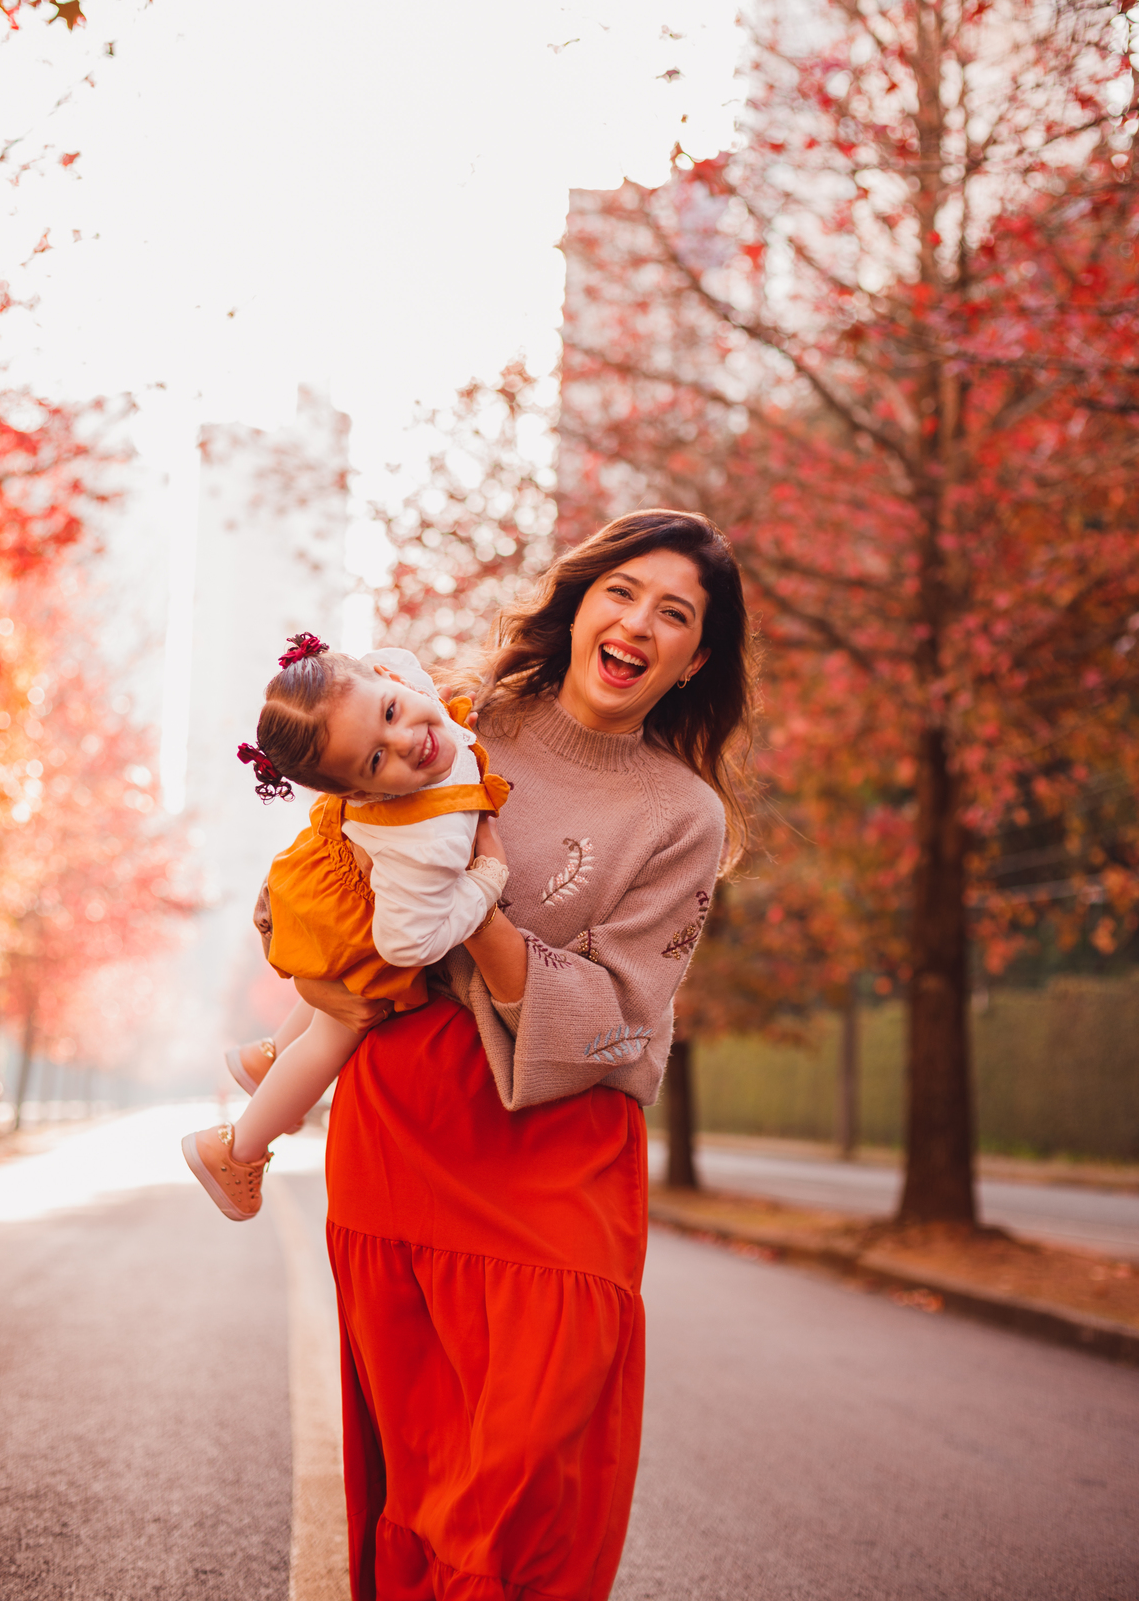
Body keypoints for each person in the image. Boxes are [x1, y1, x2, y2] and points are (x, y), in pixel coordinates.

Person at [276, 509, 752, 1601]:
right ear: (582, 604)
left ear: (696, 657)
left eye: (674, 613)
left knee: (527, 1465)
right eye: (622, 593)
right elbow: (321, 881)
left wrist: (476, 914)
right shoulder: (455, 718)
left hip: (562, 1156)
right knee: (428, 1463)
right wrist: (318, 968)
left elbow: (626, 1010)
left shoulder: (683, 818)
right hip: (408, 1132)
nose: (639, 623)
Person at [182, 634, 510, 1221]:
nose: (408, 738)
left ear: (382, 677)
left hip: (331, 873)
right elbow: (406, 941)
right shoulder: (428, 838)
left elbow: (396, 666)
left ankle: (265, 1057)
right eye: (378, 759)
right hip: (359, 919)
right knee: (334, 1034)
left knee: (330, 994)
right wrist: (486, 882)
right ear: (361, 791)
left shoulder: (402, 681)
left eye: (390, 710)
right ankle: (236, 1149)